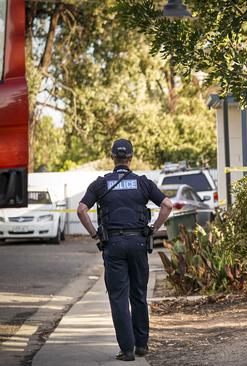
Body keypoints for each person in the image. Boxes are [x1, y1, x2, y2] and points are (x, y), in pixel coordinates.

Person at [77, 139, 173, 361]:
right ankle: (142, 346)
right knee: (138, 294)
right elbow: (167, 205)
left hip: (113, 246)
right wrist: (153, 229)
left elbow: (82, 210)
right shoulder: (142, 183)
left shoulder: (101, 184)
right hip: (139, 243)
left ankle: (127, 350)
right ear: (130, 157)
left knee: (119, 297)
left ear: (113, 157)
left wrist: (95, 234)